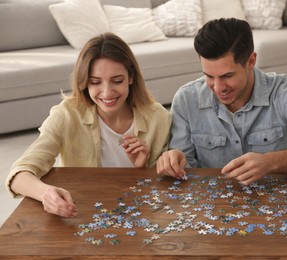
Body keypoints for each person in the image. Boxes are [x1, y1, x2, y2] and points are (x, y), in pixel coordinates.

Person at [157, 18, 287, 184]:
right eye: (209, 76)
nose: (218, 87)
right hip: (210, 209)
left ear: (251, 61)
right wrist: (175, 161)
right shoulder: (186, 99)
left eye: (227, 75)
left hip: (277, 204)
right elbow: (185, 169)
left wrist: (271, 162)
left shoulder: (286, 93)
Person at [6, 32, 171, 218]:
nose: (107, 92)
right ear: (84, 82)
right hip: (82, 215)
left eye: (117, 81)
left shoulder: (159, 118)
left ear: (131, 77)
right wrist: (47, 194)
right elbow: (19, 175)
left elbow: (167, 192)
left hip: (141, 217)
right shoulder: (66, 115)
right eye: (95, 82)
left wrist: (141, 170)